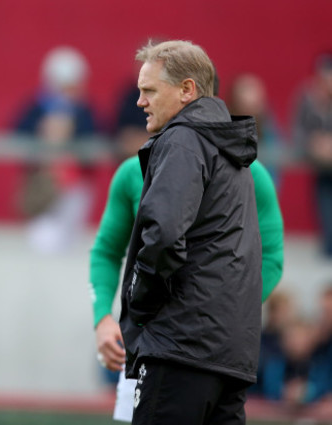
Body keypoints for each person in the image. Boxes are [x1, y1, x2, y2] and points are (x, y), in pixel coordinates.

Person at [115, 40, 262, 425]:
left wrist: (139, 303)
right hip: (230, 355)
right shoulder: (231, 150)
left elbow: (163, 236)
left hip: (180, 348)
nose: (140, 102)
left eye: (149, 90)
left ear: (187, 90)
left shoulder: (183, 139)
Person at [13, 46, 99, 253]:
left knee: (70, 244)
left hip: (74, 186)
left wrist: (71, 131)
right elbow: (17, 132)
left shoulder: (84, 111)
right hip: (42, 183)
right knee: (42, 241)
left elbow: (95, 137)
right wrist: (43, 131)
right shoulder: (36, 108)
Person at [292, 52, 332, 258]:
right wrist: (313, 144)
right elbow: (298, 133)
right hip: (321, 169)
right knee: (325, 215)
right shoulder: (308, 97)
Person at [226, 73, 284, 186]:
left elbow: (273, 172)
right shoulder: (224, 129)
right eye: (244, 106)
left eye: (255, 105)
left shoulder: (269, 131)